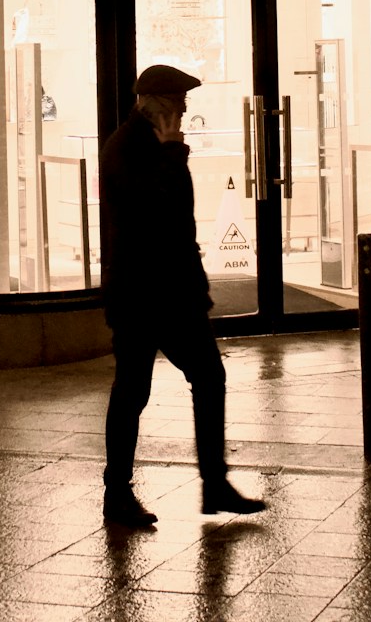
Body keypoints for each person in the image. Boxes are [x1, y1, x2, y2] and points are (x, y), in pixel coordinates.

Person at [97, 65, 266, 529]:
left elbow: (179, 221)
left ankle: (214, 483)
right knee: (134, 390)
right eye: (177, 103)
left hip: (173, 292)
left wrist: (196, 282)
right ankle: (118, 492)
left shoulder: (156, 145)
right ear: (151, 103)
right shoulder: (126, 148)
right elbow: (149, 207)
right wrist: (172, 153)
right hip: (140, 294)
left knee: (207, 377)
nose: (184, 111)